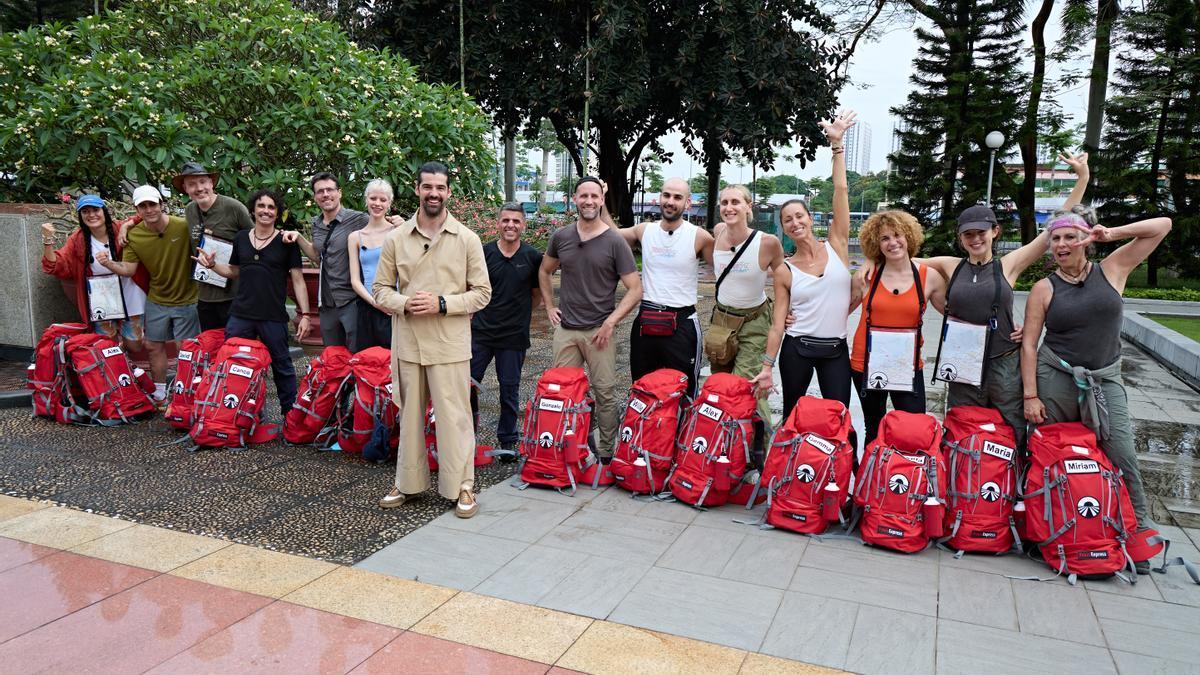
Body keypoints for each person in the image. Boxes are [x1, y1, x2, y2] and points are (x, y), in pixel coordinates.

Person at [1021, 206, 1171, 568]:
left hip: (1105, 380)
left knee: (1122, 455)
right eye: (1055, 238)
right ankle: (1046, 530)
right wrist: (1030, 396)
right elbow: (1029, 343)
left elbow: (1161, 226)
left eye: (1070, 236)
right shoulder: (1044, 287)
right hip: (1054, 378)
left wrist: (1112, 233)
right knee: (1048, 456)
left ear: (1085, 239)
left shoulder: (1113, 269)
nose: (1061, 244)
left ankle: (1137, 537)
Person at [912, 153, 1091, 448]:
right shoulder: (949, 265)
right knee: (961, 422)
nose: (975, 239)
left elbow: (1052, 230)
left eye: (981, 232)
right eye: (968, 234)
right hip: (961, 361)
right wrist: (869, 262)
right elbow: (900, 260)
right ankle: (962, 477)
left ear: (994, 232)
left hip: (1003, 361)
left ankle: (1014, 480)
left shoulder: (1008, 265)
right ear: (961, 238)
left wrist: (1082, 178)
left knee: (1012, 422)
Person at [373, 161, 491, 518]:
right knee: (409, 415)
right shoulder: (396, 238)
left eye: (440, 188)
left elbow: (482, 293)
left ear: (449, 192)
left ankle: (463, 486)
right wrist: (405, 303)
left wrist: (443, 304)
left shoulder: (467, 238)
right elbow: (380, 290)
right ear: (417, 189)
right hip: (408, 340)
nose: (434, 193)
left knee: (455, 418)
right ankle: (407, 483)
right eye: (428, 187)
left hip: (450, 342)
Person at [539, 177, 642, 459]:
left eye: (594, 196)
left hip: (599, 331)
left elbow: (635, 289)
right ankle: (565, 446)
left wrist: (611, 322)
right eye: (583, 195)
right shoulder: (561, 237)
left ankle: (607, 452)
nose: (588, 201)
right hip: (567, 330)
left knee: (605, 393)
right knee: (562, 392)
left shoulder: (614, 241)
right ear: (574, 199)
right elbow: (544, 271)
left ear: (601, 200)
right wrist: (549, 306)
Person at [194, 189, 312, 416]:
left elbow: (297, 280)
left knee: (283, 368)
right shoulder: (241, 238)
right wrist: (212, 266)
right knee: (232, 363)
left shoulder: (286, 241)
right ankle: (233, 414)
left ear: (277, 214)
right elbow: (234, 271)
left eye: (271, 207)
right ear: (253, 210)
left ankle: (290, 417)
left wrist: (305, 315)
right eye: (261, 206)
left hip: (272, 315)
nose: (266, 211)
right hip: (241, 314)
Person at [777, 112, 858, 419]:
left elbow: (841, 192)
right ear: (784, 229)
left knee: (839, 416)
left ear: (810, 219)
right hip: (796, 347)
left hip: (835, 349)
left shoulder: (836, 245)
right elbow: (778, 316)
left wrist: (837, 146)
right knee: (791, 415)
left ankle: (839, 467)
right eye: (788, 220)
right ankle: (787, 466)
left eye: (800, 216)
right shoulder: (785, 268)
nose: (795, 222)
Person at [609, 177, 714, 397]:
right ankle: (645, 430)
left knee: (684, 391)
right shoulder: (645, 230)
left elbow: (726, 269)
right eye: (667, 195)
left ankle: (682, 431)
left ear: (687, 203)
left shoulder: (700, 236)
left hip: (682, 321)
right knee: (642, 387)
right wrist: (600, 204)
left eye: (677, 197)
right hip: (647, 318)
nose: (670, 201)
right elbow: (613, 236)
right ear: (660, 198)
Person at [850, 211, 947, 445]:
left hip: (908, 364)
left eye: (897, 235)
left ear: (909, 237)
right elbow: (837, 311)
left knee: (914, 426)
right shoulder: (866, 276)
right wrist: (796, 319)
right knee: (873, 427)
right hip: (867, 363)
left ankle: (907, 476)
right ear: (876, 244)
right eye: (884, 238)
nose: (892, 242)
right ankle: (872, 478)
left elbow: (956, 316)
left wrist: (1004, 324)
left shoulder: (929, 277)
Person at [98, 186, 200, 403]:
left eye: (152, 204)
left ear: (161, 204)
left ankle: (187, 392)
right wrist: (108, 263)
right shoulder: (134, 236)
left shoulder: (183, 226)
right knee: (153, 346)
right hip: (157, 298)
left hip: (187, 298)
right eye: (143, 206)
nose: (149, 209)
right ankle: (160, 391)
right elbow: (129, 269)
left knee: (186, 350)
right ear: (137, 209)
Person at [711, 184, 788, 456]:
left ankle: (760, 455)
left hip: (755, 323)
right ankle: (726, 451)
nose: (729, 208)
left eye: (735, 202)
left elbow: (784, 277)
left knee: (749, 388)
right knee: (720, 386)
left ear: (748, 206)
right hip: (721, 322)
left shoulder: (767, 242)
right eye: (724, 202)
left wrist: (785, 310)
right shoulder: (717, 232)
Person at [470, 203, 543, 458]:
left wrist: (518, 316)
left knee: (509, 389)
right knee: (467, 385)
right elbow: (472, 289)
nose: (511, 225)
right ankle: (466, 435)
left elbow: (536, 295)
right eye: (506, 220)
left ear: (523, 225)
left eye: (516, 221)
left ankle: (508, 439)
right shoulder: (483, 253)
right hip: (481, 332)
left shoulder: (533, 257)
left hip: (513, 336)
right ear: (498, 223)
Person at [41, 194, 150, 354]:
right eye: (85, 211)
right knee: (105, 344)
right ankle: (116, 370)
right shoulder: (77, 239)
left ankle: (121, 355)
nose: (91, 215)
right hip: (102, 296)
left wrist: (127, 226)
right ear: (80, 216)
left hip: (130, 292)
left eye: (95, 210)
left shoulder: (119, 227)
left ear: (104, 211)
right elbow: (56, 264)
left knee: (135, 345)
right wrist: (47, 240)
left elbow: (144, 215)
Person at [282, 173, 368, 350]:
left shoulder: (359, 219)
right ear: (315, 197)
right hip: (327, 303)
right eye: (320, 191)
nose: (325, 194)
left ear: (339, 193)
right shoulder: (316, 224)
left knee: (358, 354)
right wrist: (299, 238)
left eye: (330, 190)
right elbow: (317, 255)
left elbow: (382, 231)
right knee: (333, 356)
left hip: (352, 300)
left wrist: (396, 223)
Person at [172, 162, 253, 331]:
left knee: (236, 347)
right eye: (192, 184)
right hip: (205, 295)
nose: (199, 188)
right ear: (185, 189)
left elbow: (255, 240)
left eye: (202, 182)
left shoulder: (233, 207)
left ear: (211, 183)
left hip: (235, 295)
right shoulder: (190, 210)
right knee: (210, 345)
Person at [346, 179, 399, 350]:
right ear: (366, 199)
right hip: (368, 306)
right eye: (373, 198)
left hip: (394, 305)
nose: (377, 203)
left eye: (383, 200)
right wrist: (374, 303)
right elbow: (355, 280)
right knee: (367, 362)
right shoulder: (355, 237)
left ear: (389, 204)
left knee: (395, 362)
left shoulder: (397, 232)